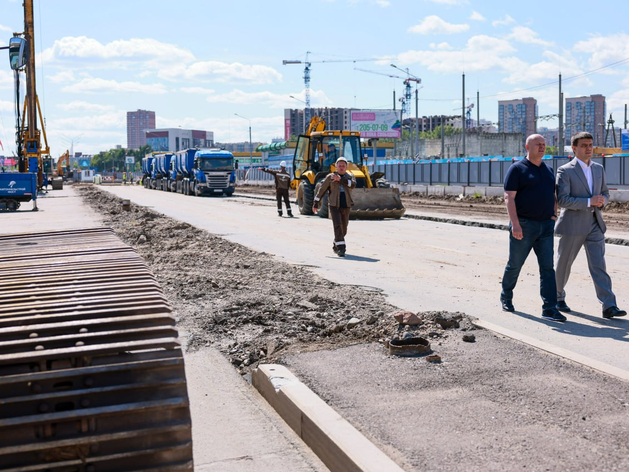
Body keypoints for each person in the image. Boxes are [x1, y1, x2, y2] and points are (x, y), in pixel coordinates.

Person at [554, 132, 626, 319]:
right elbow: (562, 200)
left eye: (591, 144)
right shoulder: (565, 170)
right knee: (564, 264)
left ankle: (609, 305)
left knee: (599, 265)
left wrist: (602, 201)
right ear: (574, 148)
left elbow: (604, 192)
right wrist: (589, 201)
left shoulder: (598, 168)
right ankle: (557, 297)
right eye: (584, 145)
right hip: (573, 225)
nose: (589, 148)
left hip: (595, 223)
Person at [500, 134, 566, 322]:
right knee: (515, 264)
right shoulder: (517, 169)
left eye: (544, 144)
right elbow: (509, 198)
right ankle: (506, 295)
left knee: (547, 269)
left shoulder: (548, 169)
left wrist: (554, 214)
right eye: (538, 144)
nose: (542, 147)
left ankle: (549, 308)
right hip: (524, 225)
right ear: (527, 146)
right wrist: (515, 224)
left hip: (545, 226)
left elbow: (552, 194)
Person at [313, 156, 356, 257]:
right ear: (336, 166)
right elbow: (322, 190)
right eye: (339, 165)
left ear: (346, 167)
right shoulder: (330, 177)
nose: (341, 167)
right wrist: (315, 203)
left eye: (343, 166)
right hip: (334, 205)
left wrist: (340, 180)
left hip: (346, 205)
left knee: (344, 228)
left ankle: (336, 242)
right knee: (337, 225)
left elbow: (352, 185)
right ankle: (341, 248)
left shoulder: (350, 176)